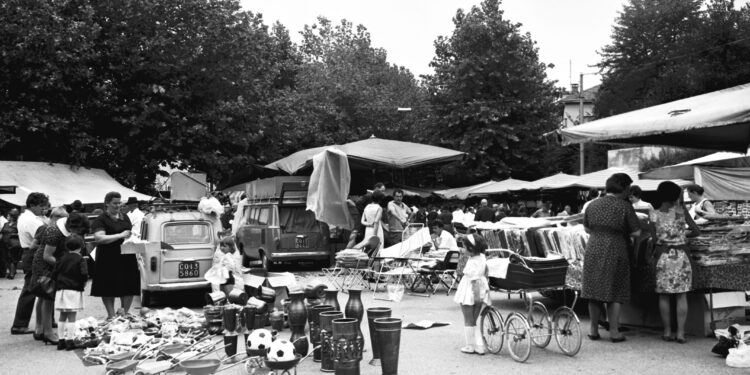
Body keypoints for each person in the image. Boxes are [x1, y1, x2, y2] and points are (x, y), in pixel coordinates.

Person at [582, 173, 640, 343]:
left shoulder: (592, 205)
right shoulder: (624, 206)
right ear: (623, 188)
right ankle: (614, 332)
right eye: (628, 188)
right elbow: (636, 232)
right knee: (615, 290)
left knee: (594, 291)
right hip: (616, 248)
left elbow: (586, 229)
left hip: (593, 247)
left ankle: (593, 330)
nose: (629, 191)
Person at [650, 181, 699, 344]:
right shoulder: (681, 210)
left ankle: (667, 331)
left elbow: (654, 239)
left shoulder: (654, 214)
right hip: (681, 256)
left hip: (663, 257)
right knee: (681, 296)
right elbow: (696, 231)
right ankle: (680, 333)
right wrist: (683, 237)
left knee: (663, 296)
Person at [34, 210, 88, 345]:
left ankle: (40, 329)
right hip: (46, 263)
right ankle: (47, 332)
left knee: (44, 296)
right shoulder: (54, 231)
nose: (77, 233)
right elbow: (47, 255)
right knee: (47, 296)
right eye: (76, 230)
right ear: (70, 226)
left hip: (60, 261)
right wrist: (66, 265)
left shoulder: (76, 230)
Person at [91, 192, 139, 318]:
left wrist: (134, 238)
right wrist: (120, 235)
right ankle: (111, 315)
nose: (118, 206)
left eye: (119, 203)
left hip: (127, 255)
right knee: (108, 286)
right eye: (115, 203)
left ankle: (124, 313)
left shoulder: (125, 217)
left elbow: (128, 232)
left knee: (129, 285)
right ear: (107, 203)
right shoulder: (101, 219)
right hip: (108, 257)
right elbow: (99, 238)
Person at [11, 192, 49, 336]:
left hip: (30, 252)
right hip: (33, 253)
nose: (43, 209)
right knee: (31, 288)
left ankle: (47, 319)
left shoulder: (28, 217)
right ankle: (20, 324)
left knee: (45, 286)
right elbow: (43, 237)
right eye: (41, 206)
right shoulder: (32, 220)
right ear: (32, 205)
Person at [453, 233, 490, 354]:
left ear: (471, 249)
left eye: (463, 247)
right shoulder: (482, 257)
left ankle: (470, 346)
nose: (462, 249)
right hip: (481, 287)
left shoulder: (472, 262)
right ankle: (479, 346)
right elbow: (486, 272)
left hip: (470, 290)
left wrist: (477, 297)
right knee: (474, 320)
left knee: (469, 320)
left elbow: (474, 281)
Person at [53, 234, 88, 350]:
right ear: (81, 246)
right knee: (72, 316)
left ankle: (60, 340)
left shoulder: (61, 258)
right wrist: (83, 283)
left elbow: (55, 273)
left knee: (62, 315)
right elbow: (83, 274)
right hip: (74, 290)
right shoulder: (80, 259)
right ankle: (70, 340)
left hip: (61, 290)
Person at [2, 208, 22, 279]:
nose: (7, 217)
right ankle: (11, 271)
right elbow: (2, 232)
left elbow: (21, 233)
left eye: (9, 216)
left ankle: (12, 274)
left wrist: (13, 234)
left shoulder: (18, 224)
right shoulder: (6, 224)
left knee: (12, 258)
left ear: (13, 217)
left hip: (13, 244)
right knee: (6, 258)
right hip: (4, 244)